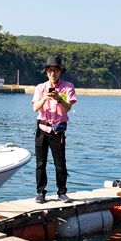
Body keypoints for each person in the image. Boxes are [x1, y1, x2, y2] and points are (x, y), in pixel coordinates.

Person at [32, 55, 77, 204]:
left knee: (60, 163)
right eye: (50, 71)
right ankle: (40, 192)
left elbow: (68, 107)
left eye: (56, 71)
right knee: (40, 163)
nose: (53, 74)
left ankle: (62, 192)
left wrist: (58, 98)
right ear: (46, 72)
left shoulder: (68, 86)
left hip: (58, 131)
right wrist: (45, 98)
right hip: (42, 129)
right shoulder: (40, 88)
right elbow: (35, 108)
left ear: (60, 72)